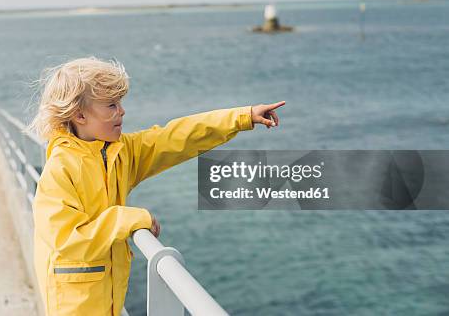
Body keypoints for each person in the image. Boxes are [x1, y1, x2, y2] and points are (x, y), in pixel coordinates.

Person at [27, 56, 285, 315]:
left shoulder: (120, 152)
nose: (122, 111)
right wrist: (131, 218)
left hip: (109, 302)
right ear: (79, 115)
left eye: (121, 103)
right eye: (111, 105)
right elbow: (67, 239)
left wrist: (243, 117)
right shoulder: (60, 168)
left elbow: (176, 137)